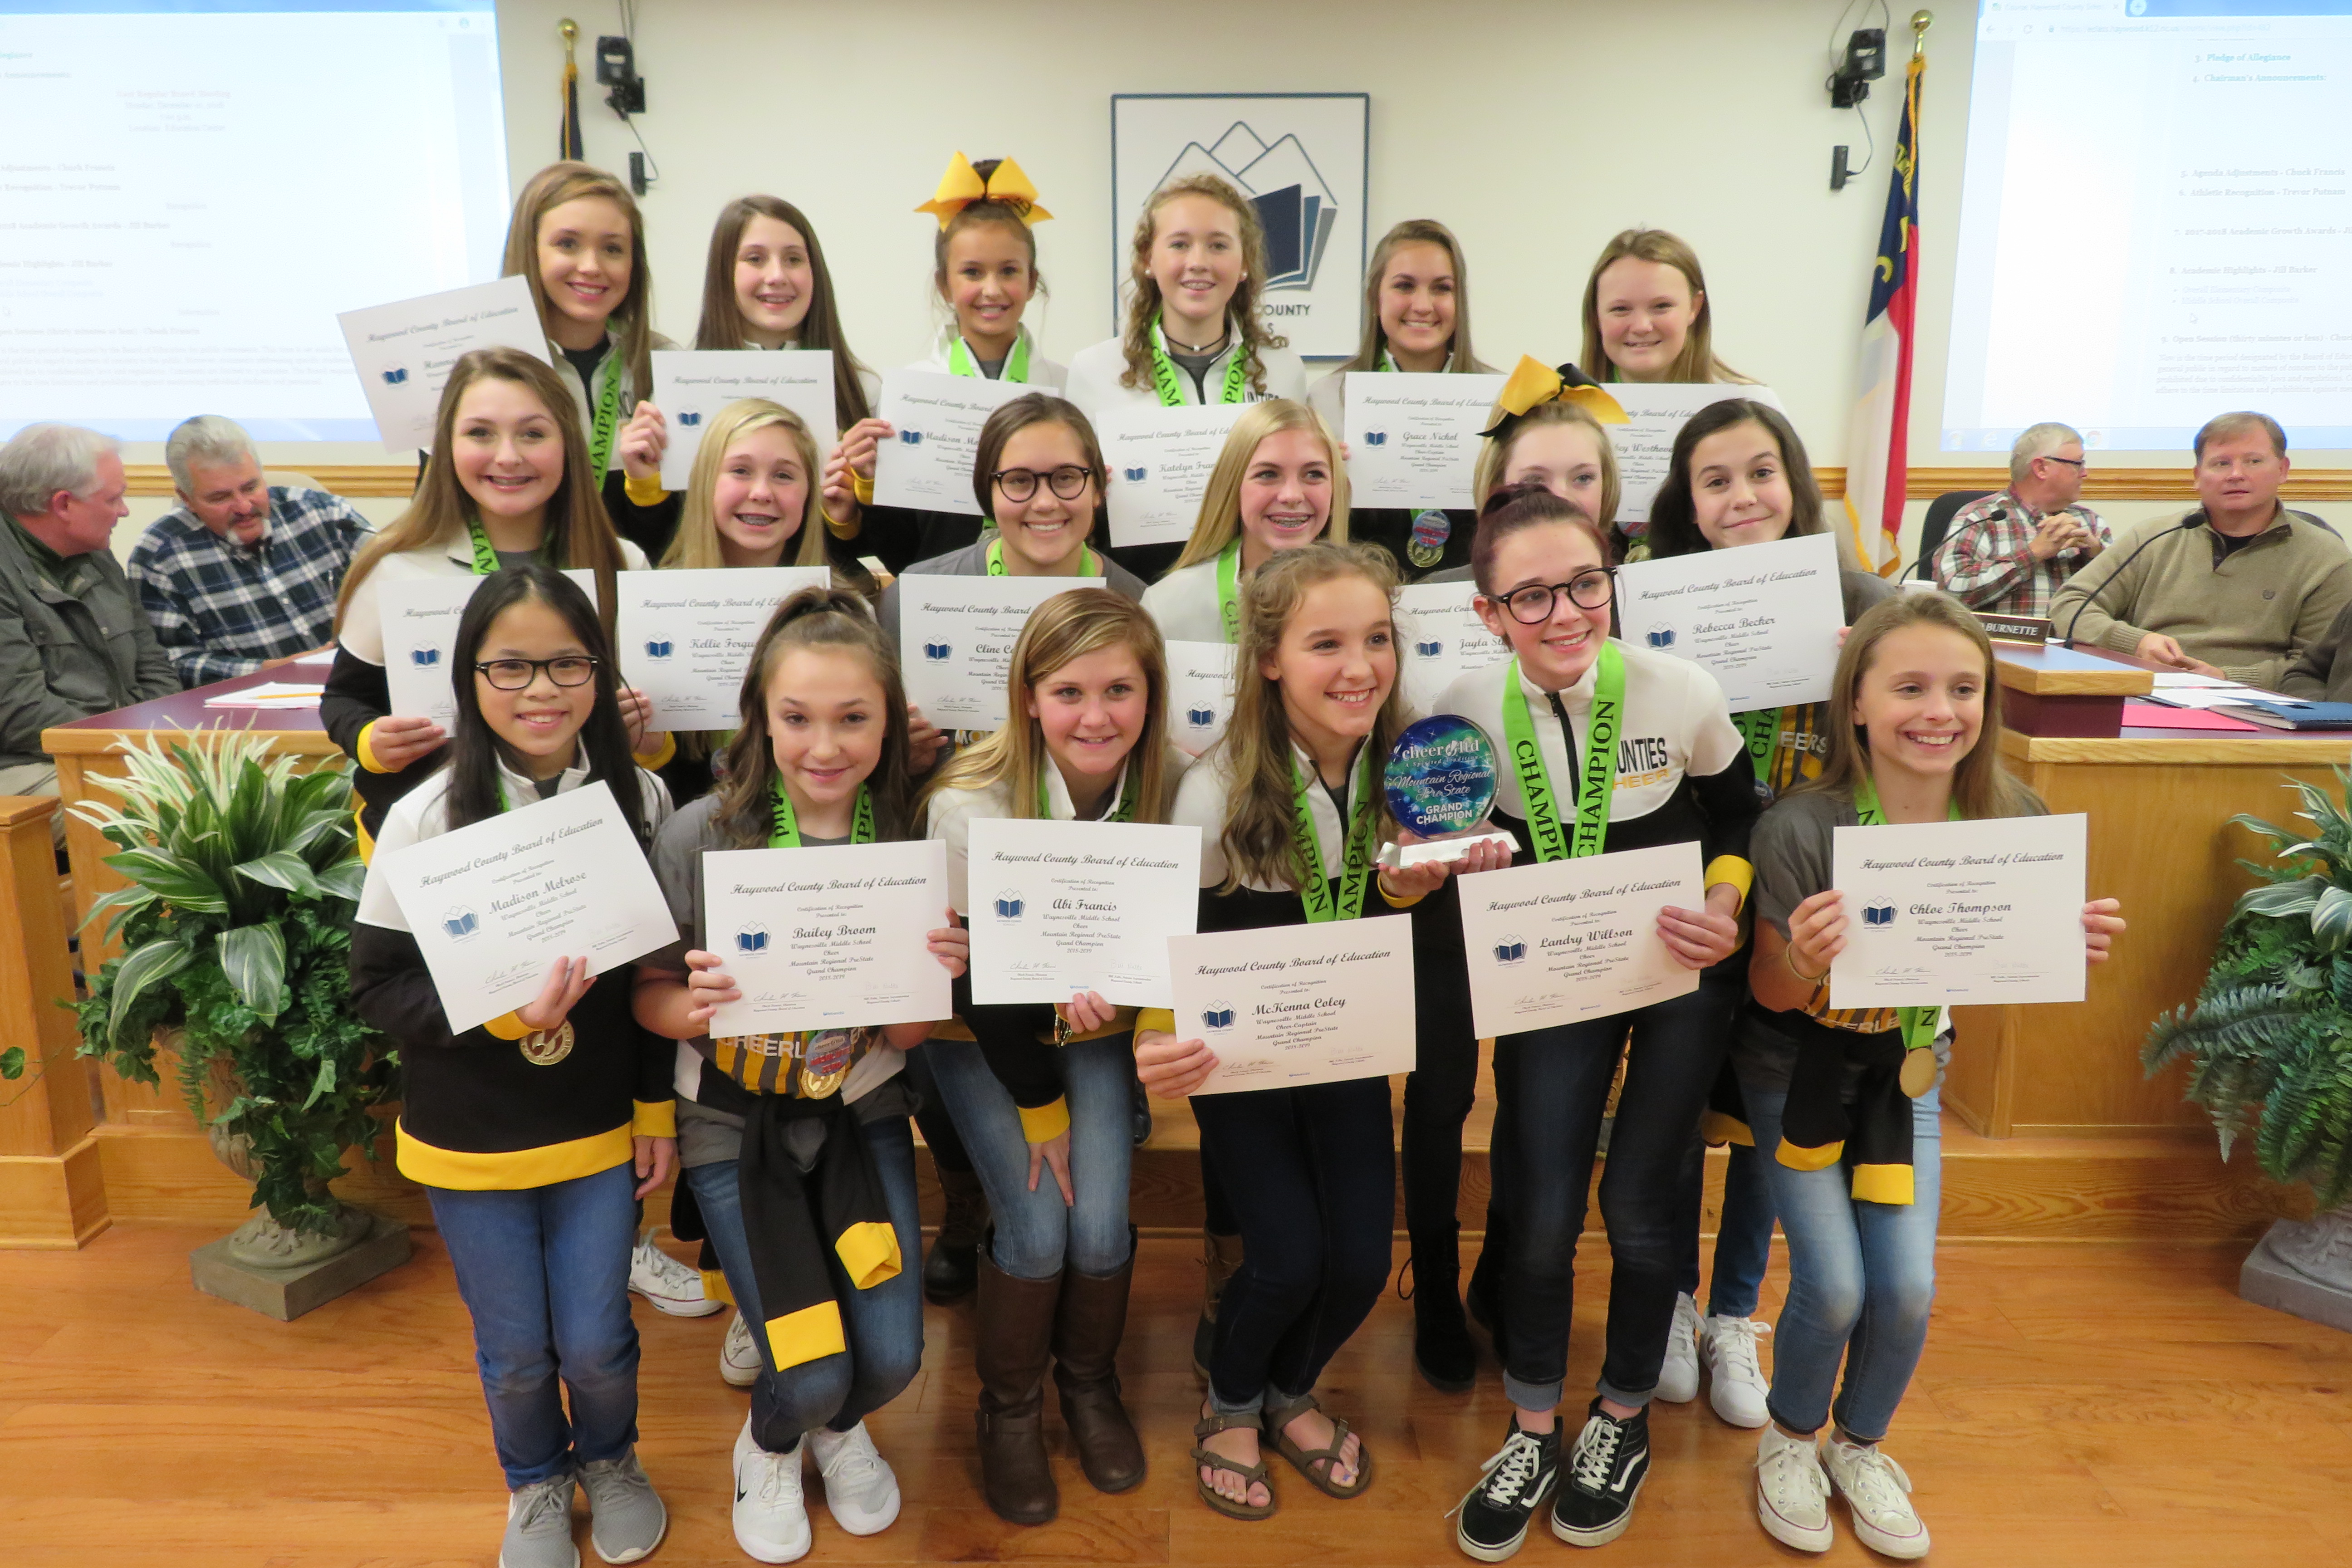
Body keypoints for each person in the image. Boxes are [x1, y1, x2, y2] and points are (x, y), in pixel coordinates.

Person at [1740, 592, 2122, 1559]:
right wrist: (1805, 959)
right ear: (1855, 703)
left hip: (1909, 1073)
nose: (1939, 711)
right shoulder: (1800, 825)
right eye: (1908, 687)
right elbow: (1769, 991)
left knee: (1906, 1288)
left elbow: (1992, 964)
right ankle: (1789, 1439)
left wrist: (2058, 943)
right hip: (1794, 1070)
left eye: (1963, 688)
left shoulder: (2012, 815)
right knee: (1834, 1287)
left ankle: (1857, 1446)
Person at [1138, 541, 1505, 1521]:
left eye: (1377, 639)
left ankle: (1286, 1390)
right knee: (1287, 1258)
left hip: (1348, 1049)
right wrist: (1156, 1034)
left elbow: (1384, 919)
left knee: (1357, 1262)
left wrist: (1417, 884)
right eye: (1325, 644)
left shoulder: (1414, 771)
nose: (1359, 667)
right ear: (1268, 659)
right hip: (1242, 1061)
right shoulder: (1216, 789)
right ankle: (1229, 1402)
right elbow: (1171, 932)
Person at [1439, 485, 1756, 1558]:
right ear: (1487, 613)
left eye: (1584, 584)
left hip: (1678, 971)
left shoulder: (1681, 689)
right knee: (1537, 1208)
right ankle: (1533, 1424)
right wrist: (1464, 862)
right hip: (1551, 981)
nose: (1566, 613)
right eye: (1530, 596)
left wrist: (1723, 903)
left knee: (1639, 1201)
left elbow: (1738, 816)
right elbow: (1432, 849)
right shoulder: (1460, 710)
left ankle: (1621, 1416)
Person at [348, 565, 676, 1568]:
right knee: (519, 1352)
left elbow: (651, 979)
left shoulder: (640, 796)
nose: (541, 689)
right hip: (471, 1140)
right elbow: (377, 989)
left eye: (568, 664)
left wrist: (654, 1110)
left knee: (597, 1341)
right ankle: (534, 1482)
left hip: (595, 1127)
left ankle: (611, 1460)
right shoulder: (424, 815)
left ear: (600, 674)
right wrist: (500, 1014)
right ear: (469, 677)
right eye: (511, 667)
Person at [634, 587, 966, 1565]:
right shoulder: (701, 833)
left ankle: (836, 1425)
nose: (825, 745)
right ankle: (775, 1440)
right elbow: (647, 996)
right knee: (811, 1371)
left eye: (853, 718)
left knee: (893, 1358)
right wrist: (689, 1007)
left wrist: (934, 974)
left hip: (861, 1106)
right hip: (732, 1120)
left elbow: (907, 1034)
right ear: (761, 719)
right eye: (798, 718)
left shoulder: (912, 840)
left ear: (888, 722)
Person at [1640, 398, 1895, 1431]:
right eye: (1714, 480)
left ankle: (1731, 1313)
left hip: (1803, 909)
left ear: (1793, 483)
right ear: (1686, 500)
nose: (1740, 497)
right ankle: (1668, 1298)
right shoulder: (1650, 603)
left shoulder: (1861, 602)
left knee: (1766, 1122)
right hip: (1691, 902)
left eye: (1759, 472)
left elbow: (1912, 744)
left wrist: (1860, 674)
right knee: (1670, 1110)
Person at [922, 589, 1185, 1523]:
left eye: (1119, 690)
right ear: (1028, 698)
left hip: (1096, 1029)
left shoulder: (1170, 788)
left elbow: (1180, 937)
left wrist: (1147, 1018)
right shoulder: (966, 802)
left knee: (1102, 1228)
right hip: (982, 1035)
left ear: (1151, 695)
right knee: (1038, 1230)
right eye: (1068, 692)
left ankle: (1088, 1382)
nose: (1096, 716)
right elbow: (970, 985)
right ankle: (1008, 1409)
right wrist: (1041, 1110)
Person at [323, 347, 653, 853]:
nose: (508, 456)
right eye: (480, 433)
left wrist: (649, 735)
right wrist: (370, 742)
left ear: (568, 443)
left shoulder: (621, 564)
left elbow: (651, 720)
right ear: (446, 446)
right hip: (439, 839)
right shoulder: (394, 567)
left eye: (533, 434)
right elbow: (344, 699)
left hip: (586, 836)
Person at [823, 155, 1071, 574]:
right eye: (972, 272)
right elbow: (900, 551)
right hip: (943, 598)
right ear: (944, 284)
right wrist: (869, 484)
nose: (992, 290)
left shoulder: (1067, 391)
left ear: (1032, 281)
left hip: (1050, 590)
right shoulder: (909, 395)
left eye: (1009, 271)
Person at [1064, 173, 1309, 582]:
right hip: (1134, 587)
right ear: (1148, 259)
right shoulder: (1093, 370)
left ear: (1245, 263)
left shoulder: (1285, 369)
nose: (1199, 262)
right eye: (1179, 244)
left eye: (1218, 245)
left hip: (1258, 586)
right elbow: (1074, 502)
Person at [2047, 411, 2352, 686]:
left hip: (2257, 706)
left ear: (2283, 470)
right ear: (2197, 477)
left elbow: (2318, 667)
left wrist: (2223, 678)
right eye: (2221, 463)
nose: (2236, 474)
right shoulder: (2154, 537)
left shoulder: (2327, 558)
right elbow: (2070, 604)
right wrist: (2135, 642)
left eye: (2254, 461)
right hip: (2146, 690)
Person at [686, 193, 886, 594]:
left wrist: (848, 515)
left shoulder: (862, 389)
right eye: (755, 259)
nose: (777, 276)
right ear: (724, 272)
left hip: (818, 600)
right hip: (706, 598)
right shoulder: (683, 388)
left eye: (794, 259)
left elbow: (870, 550)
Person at [654, 397, 837, 808]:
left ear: (810, 493)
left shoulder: (845, 612)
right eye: (740, 471)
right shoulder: (654, 607)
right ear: (706, 482)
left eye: (784, 476)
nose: (761, 493)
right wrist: (650, 747)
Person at [0, 422, 177, 836]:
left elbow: (157, 671)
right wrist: (126, 748)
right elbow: (21, 713)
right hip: (23, 763)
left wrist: (136, 746)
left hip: (109, 749)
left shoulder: (95, 552)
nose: (124, 511)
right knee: (157, 815)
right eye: (113, 499)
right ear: (63, 504)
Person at [501, 161, 682, 561]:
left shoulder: (664, 366)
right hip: (513, 586)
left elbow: (679, 540)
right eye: (568, 244)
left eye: (612, 249)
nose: (591, 267)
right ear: (530, 250)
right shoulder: (484, 374)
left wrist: (647, 484)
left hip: (634, 585)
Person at [875, 394, 1148, 655]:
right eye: (1019, 480)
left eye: (1066, 477)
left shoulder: (1143, 607)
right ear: (988, 492)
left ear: (1098, 489)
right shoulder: (913, 599)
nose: (1045, 503)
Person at [1307, 219, 1495, 578]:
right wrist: (1319, 473)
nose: (1423, 305)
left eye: (1442, 288)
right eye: (1405, 286)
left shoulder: (1501, 398)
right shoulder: (1327, 399)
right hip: (1359, 587)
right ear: (1375, 298)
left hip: (1473, 589)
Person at [127, 414, 370, 686]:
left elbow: (396, 587)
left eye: (251, 487)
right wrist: (271, 670)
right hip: (257, 702)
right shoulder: (159, 556)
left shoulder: (325, 514)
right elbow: (170, 662)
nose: (244, 507)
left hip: (362, 683)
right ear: (187, 499)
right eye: (220, 497)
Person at [1140, 400, 1348, 645]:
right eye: (1268, 474)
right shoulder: (1166, 607)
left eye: (1314, 474)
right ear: (1233, 485)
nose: (1292, 495)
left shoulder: (1367, 601)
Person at [1927, 422, 2112, 618]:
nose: (2085, 473)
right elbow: (1950, 594)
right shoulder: (1981, 517)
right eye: (2078, 464)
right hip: (2000, 638)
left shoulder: (2091, 523)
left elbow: (2125, 603)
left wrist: (2097, 555)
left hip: (2075, 638)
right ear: (2041, 468)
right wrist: (2033, 554)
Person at [1578, 229, 1749, 385]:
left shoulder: (1747, 404)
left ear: (1694, 307)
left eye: (1661, 306)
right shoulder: (1564, 403)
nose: (1641, 327)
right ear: (1596, 314)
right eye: (1621, 309)